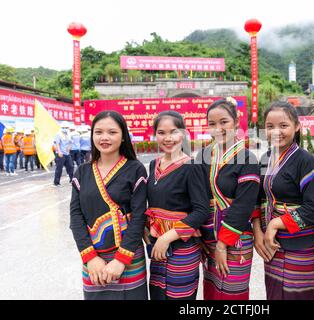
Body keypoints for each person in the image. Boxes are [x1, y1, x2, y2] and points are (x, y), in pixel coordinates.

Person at [69, 110, 148, 300]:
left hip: (128, 257)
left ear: (123, 137)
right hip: (93, 258)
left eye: (112, 132)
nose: (105, 137)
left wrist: (121, 260)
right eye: (99, 132)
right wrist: (90, 257)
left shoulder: (135, 169)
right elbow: (76, 216)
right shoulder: (82, 171)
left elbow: (139, 217)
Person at [252, 101, 314, 300]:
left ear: (297, 126)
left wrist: (276, 222)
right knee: (274, 294)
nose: (276, 131)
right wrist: (258, 233)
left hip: (298, 247)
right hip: (272, 246)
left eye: (283, 126)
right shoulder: (265, 159)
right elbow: (257, 200)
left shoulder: (306, 161)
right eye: (270, 126)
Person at [196, 97, 260, 300]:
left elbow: (244, 204)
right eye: (212, 124)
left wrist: (223, 243)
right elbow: (197, 196)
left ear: (235, 121)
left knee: (233, 290)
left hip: (235, 237)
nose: (218, 129)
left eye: (224, 122)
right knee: (212, 289)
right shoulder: (203, 155)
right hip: (208, 236)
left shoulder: (248, 159)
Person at [146, 110, 209, 300]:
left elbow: (201, 210)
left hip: (182, 248)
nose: (168, 138)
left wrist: (167, 238)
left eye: (173, 132)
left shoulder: (192, 166)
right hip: (158, 247)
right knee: (158, 294)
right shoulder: (153, 165)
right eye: (161, 133)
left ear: (183, 133)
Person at [53, 122, 74, 186]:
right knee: (59, 168)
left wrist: (69, 147)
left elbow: (71, 142)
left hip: (67, 154)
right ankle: (56, 182)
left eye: (66, 128)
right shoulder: (58, 134)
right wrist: (59, 152)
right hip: (60, 154)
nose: (65, 129)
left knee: (71, 166)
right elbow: (57, 144)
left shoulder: (69, 134)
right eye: (64, 128)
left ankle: (72, 180)